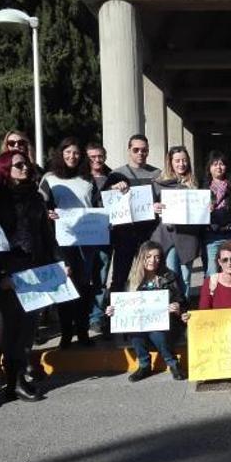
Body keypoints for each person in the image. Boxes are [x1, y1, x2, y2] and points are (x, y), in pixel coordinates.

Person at [0, 151, 62, 402]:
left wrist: (59, 262)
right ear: (6, 168)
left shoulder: (36, 198)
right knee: (11, 327)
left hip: (35, 266)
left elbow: (46, 234)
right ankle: (11, 381)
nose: (25, 168)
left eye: (26, 164)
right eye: (18, 165)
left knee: (28, 326)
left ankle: (17, 380)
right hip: (9, 269)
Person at [39, 137, 99, 348]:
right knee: (65, 288)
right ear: (60, 154)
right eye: (68, 152)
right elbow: (40, 206)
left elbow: (98, 205)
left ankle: (83, 332)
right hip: (61, 242)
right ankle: (66, 333)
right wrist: (48, 214)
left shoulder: (88, 179)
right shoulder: (49, 178)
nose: (72, 156)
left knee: (84, 287)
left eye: (76, 153)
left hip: (87, 241)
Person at [105, 241, 187, 382]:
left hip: (168, 322)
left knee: (156, 332)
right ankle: (144, 365)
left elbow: (182, 301)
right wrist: (113, 310)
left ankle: (173, 363)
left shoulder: (169, 277)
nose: (153, 261)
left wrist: (176, 306)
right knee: (136, 331)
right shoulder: (132, 280)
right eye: (148, 257)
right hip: (141, 323)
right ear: (142, 258)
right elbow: (125, 305)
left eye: (157, 257)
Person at [104, 134, 162, 292]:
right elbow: (105, 201)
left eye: (144, 150)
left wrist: (159, 206)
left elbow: (163, 199)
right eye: (136, 150)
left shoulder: (157, 174)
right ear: (129, 150)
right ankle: (114, 313)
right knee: (120, 277)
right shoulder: (116, 174)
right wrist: (113, 189)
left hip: (149, 233)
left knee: (148, 275)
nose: (140, 153)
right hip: (124, 234)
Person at [151, 146, 200, 298]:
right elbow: (147, 205)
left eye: (184, 160)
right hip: (168, 235)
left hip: (188, 236)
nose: (181, 164)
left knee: (185, 276)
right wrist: (154, 207)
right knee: (171, 274)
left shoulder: (195, 183)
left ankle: (183, 310)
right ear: (170, 162)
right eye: (177, 161)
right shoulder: (158, 183)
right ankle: (173, 309)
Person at [86, 142, 112, 336]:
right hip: (81, 236)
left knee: (101, 279)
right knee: (82, 279)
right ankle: (79, 318)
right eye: (92, 157)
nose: (96, 160)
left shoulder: (114, 177)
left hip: (105, 235)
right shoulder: (78, 178)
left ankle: (96, 317)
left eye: (100, 156)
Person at [201, 150, 231, 278]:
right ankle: (211, 296)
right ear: (209, 168)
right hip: (211, 234)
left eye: (222, 164)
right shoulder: (203, 188)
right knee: (212, 270)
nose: (218, 167)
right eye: (215, 164)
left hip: (230, 233)